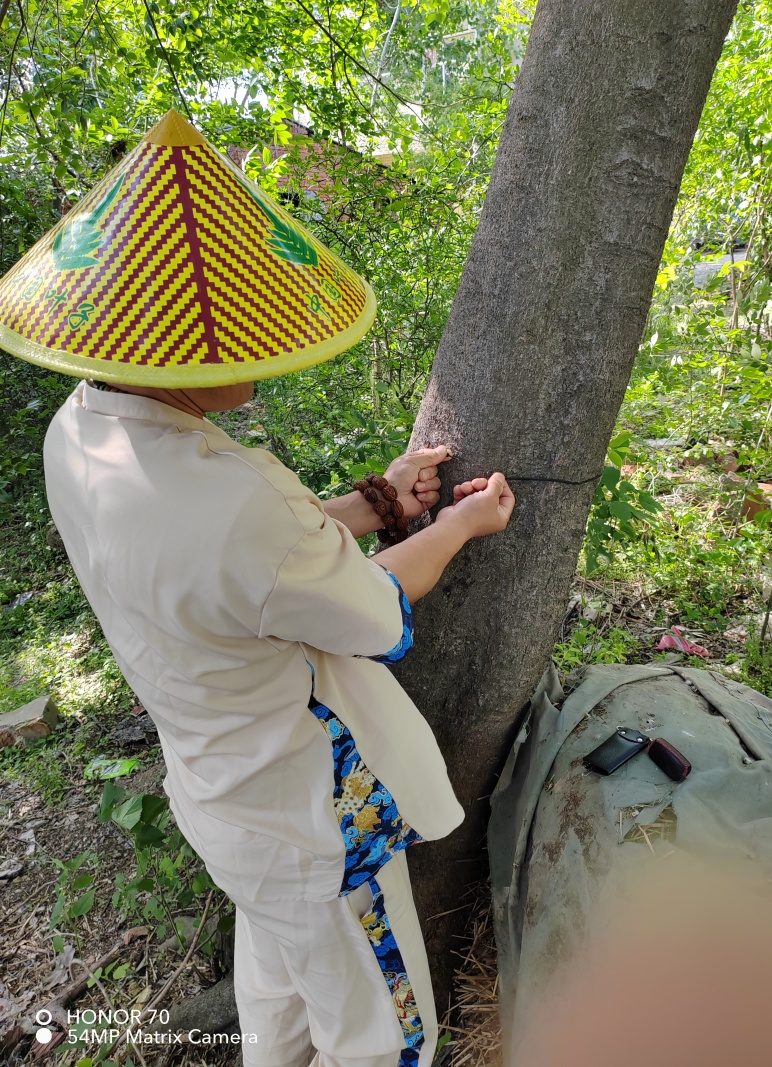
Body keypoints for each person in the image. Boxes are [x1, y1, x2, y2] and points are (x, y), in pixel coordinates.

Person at [0, 110, 515, 1067]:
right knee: (381, 1032)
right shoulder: (240, 503)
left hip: (222, 800)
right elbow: (376, 614)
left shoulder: (77, 434)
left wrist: (371, 502)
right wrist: (455, 525)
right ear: (185, 356)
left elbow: (232, 569)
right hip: (312, 821)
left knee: (278, 991)